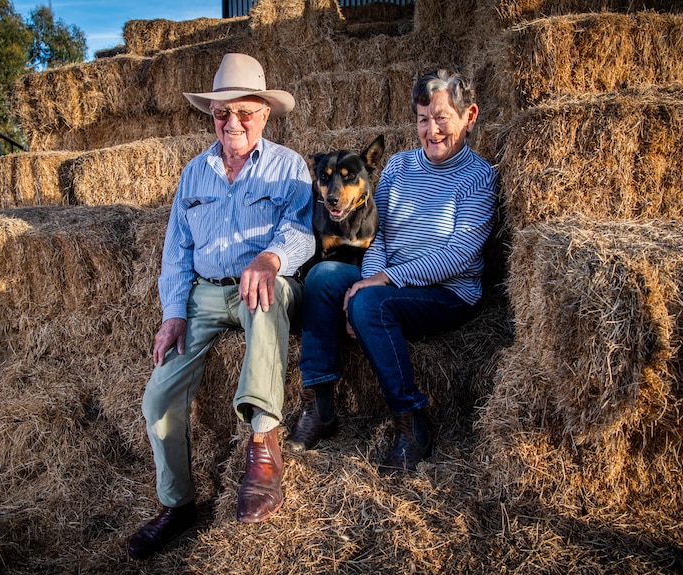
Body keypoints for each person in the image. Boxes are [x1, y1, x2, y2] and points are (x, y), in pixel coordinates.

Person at [128, 53, 315, 560]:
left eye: (243, 113)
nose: (231, 123)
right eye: (220, 113)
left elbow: (302, 232)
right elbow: (176, 251)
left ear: (265, 113)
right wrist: (173, 313)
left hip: (266, 283)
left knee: (265, 294)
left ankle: (263, 445)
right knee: (158, 396)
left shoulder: (288, 167)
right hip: (206, 293)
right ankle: (177, 505)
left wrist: (270, 258)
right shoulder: (194, 173)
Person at [285, 69, 498, 473]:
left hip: (447, 293)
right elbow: (375, 233)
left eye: (441, 117)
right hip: (388, 280)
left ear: (469, 116)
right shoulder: (399, 167)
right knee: (323, 276)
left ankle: (411, 421)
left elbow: (461, 255)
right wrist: (371, 275)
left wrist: (380, 281)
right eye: (422, 118)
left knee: (369, 305)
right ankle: (320, 404)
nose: (431, 129)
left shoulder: (479, 178)